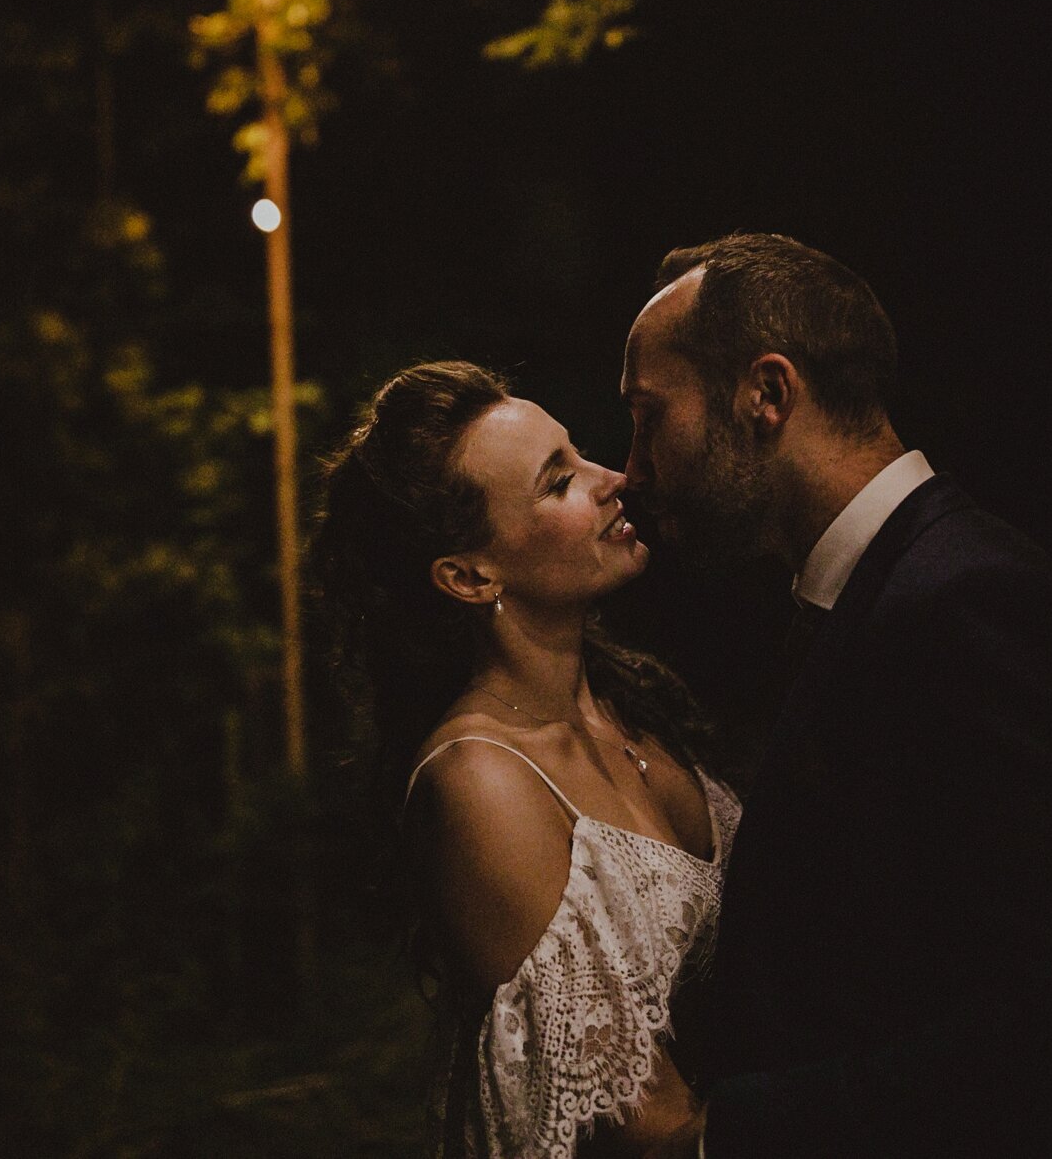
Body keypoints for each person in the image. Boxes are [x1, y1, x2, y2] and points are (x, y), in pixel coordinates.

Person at [619, 234, 1052, 1157]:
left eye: (650, 416)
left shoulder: (969, 599)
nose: (635, 468)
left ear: (767, 394)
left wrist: (729, 1133)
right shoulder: (873, 594)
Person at [314, 360, 740, 1159]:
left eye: (580, 456)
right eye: (558, 483)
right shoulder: (482, 782)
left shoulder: (629, 704)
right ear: (470, 576)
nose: (613, 479)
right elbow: (651, 1134)